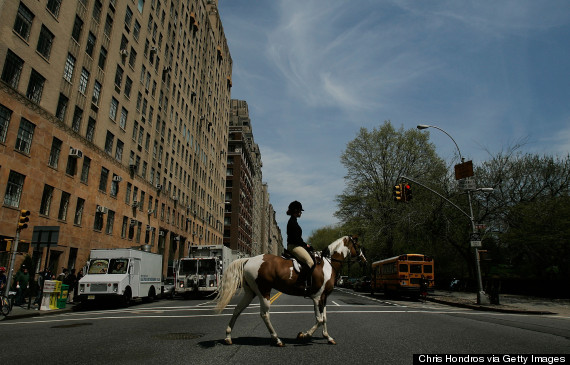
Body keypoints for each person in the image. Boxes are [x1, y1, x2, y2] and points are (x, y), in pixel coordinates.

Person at [286, 201, 315, 292]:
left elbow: (298, 239)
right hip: (294, 246)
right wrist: (306, 245)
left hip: (295, 245)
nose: (301, 213)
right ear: (296, 211)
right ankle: (299, 283)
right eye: (300, 211)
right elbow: (296, 239)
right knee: (310, 262)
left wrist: (306, 245)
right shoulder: (292, 223)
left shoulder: (293, 221)